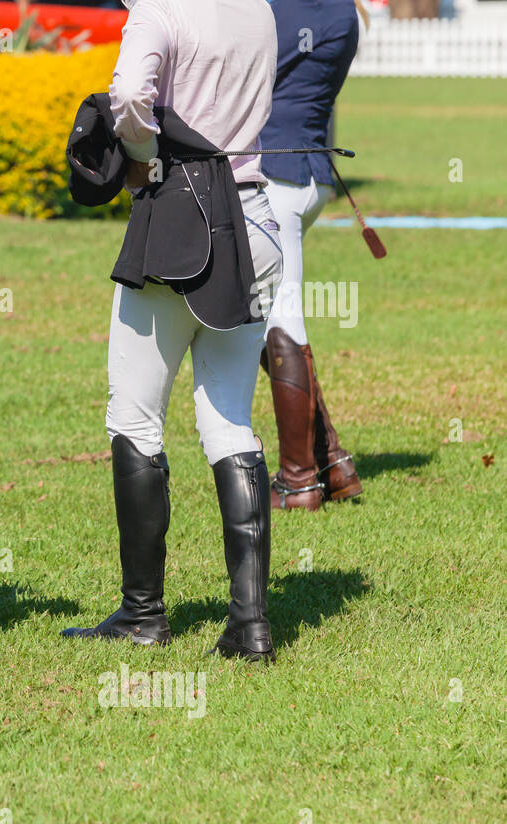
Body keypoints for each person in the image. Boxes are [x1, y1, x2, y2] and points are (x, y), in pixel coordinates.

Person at [62, 0, 284, 662]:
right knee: (229, 421)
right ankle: (250, 625)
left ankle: (143, 614)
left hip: (185, 220)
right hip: (258, 218)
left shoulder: (162, 10)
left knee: (134, 418)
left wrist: (141, 151)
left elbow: (130, 91)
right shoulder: (260, 8)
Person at [259, 0, 365, 509]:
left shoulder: (276, 9)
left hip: (273, 176)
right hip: (310, 178)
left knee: (279, 320)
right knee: (264, 319)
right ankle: (333, 463)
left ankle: (299, 480)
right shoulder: (345, 14)